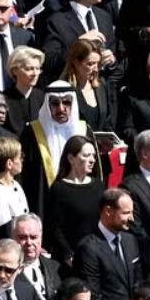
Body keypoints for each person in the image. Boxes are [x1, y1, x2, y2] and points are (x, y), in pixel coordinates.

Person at [75, 188, 146, 300]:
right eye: (126, 213)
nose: (132, 218)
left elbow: (138, 281)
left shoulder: (130, 240)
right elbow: (93, 298)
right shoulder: (88, 248)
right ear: (108, 211)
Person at [21, 81, 94, 217]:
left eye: (66, 102)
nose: (61, 108)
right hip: (44, 203)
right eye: (55, 103)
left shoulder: (84, 130)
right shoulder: (32, 132)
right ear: (47, 105)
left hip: (79, 201)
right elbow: (26, 175)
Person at [41, 0, 118, 83]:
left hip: (101, 87)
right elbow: (49, 61)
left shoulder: (103, 16)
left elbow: (114, 53)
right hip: (73, 85)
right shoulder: (57, 21)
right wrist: (79, 43)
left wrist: (111, 61)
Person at [46, 135, 104, 264]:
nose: (92, 160)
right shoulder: (59, 189)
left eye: (93, 156)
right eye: (86, 155)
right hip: (71, 259)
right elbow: (54, 227)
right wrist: (68, 255)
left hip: (96, 255)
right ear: (71, 158)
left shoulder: (98, 186)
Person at [61, 39, 117, 136]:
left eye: (97, 63)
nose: (96, 69)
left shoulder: (101, 86)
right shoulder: (64, 90)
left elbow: (108, 121)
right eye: (90, 64)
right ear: (76, 63)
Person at [2, 46, 45, 135]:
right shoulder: (4, 100)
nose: (35, 73)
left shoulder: (43, 98)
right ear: (15, 71)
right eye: (29, 69)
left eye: (38, 69)